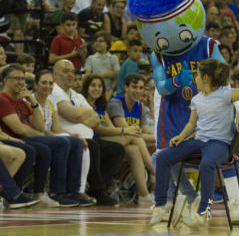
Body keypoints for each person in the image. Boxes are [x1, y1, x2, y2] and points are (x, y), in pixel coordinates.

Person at [150, 59, 239, 226]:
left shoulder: (225, 93)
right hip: (198, 141)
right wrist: (181, 136)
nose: (195, 79)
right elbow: (191, 124)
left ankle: (204, 211)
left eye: (197, 75)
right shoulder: (196, 99)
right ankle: (161, 204)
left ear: (206, 78)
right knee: (162, 157)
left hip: (220, 144)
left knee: (206, 164)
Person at [0, 64, 84, 207]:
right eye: (16, 78)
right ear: (5, 81)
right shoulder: (3, 99)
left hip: (25, 137)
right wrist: (41, 134)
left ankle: (69, 191)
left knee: (75, 142)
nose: (21, 82)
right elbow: (19, 129)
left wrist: (32, 102)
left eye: (23, 78)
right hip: (12, 137)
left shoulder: (21, 100)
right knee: (57, 144)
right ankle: (54, 193)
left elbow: (38, 125)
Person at [50, 59, 124, 205]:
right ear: (55, 74)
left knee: (117, 149)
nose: (70, 75)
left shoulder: (77, 95)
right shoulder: (53, 91)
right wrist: (83, 114)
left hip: (87, 138)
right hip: (65, 138)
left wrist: (79, 115)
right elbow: (73, 114)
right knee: (92, 146)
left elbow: (95, 119)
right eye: (65, 71)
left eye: (72, 71)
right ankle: (98, 191)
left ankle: (98, 187)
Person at [82, 74, 154, 205]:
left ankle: (144, 195)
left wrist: (126, 132)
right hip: (94, 140)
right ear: (126, 88)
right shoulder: (88, 103)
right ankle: (156, 173)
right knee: (134, 138)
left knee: (134, 149)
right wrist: (125, 131)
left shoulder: (101, 107)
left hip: (113, 141)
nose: (97, 89)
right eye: (93, 85)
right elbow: (100, 129)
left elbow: (110, 127)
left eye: (99, 86)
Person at [32, 70, 94, 206]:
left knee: (77, 142)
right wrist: (65, 137)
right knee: (63, 141)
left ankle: (73, 191)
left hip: (48, 137)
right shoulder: (30, 100)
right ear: (36, 85)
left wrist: (73, 135)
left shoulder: (51, 102)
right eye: (43, 83)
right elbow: (39, 129)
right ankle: (57, 192)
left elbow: (56, 129)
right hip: (34, 136)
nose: (47, 86)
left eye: (50, 83)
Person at [84, 31, 120, 100]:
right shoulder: (90, 58)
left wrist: (95, 75)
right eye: (96, 41)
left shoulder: (114, 58)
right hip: (94, 92)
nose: (97, 43)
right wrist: (105, 74)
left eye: (101, 41)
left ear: (107, 44)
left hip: (110, 92)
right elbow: (87, 77)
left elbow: (117, 76)